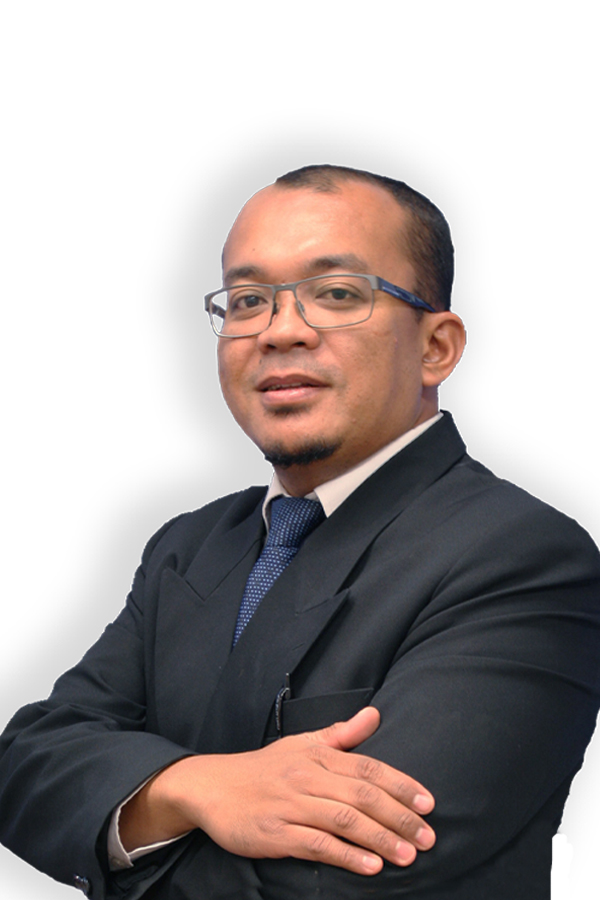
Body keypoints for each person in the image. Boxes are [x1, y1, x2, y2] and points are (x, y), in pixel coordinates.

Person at [1, 164, 599, 900]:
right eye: (248, 300)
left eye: (338, 293)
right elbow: (26, 766)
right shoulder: (188, 548)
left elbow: (346, 876)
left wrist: (122, 813)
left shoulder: (522, 557)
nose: (280, 330)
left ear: (436, 347)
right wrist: (195, 785)